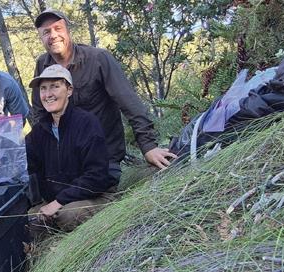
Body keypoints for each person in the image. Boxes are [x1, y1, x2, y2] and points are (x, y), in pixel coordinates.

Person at [31, 9, 177, 180]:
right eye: (46, 32)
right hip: (68, 161)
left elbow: (129, 103)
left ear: (68, 30)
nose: (53, 35)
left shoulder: (98, 59)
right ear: (41, 37)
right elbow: (39, 113)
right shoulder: (42, 64)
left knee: (77, 205)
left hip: (103, 157)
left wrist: (148, 146)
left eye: (58, 28)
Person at [26, 64, 117, 234]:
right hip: (60, 201)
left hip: (94, 196)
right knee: (30, 220)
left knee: (69, 215)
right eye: (43, 89)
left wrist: (59, 202)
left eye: (55, 86)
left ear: (69, 90)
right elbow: (25, 164)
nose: (48, 94)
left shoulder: (87, 123)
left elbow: (96, 177)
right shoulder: (39, 131)